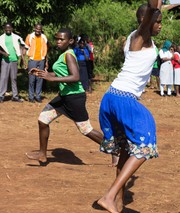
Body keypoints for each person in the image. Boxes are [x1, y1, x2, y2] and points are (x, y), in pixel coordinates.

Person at [97, 0, 162, 213]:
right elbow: (152, 12)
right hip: (124, 99)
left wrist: (163, 7)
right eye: (157, 22)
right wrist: (155, 8)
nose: (160, 25)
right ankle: (109, 195)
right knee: (145, 144)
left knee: (126, 151)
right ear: (147, 20)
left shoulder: (140, 37)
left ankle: (118, 202)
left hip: (112, 98)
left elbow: (156, 11)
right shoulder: (138, 37)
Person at [25, 28, 116, 167]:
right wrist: (44, 74)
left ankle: (115, 150)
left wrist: (51, 79)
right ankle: (43, 155)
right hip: (64, 97)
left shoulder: (68, 55)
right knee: (43, 120)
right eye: (57, 39)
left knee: (86, 129)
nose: (58, 42)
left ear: (70, 41)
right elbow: (60, 74)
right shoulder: (64, 55)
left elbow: (75, 77)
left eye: (62, 39)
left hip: (74, 98)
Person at [0, 22, 26, 103]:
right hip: (5, 60)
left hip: (14, 60)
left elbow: (21, 47)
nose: (8, 29)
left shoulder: (16, 37)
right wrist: (4, 53)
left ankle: (15, 96)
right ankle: (1, 96)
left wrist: (22, 59)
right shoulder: (1, 38)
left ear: (12, 29)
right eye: (6, 28)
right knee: (3, 78)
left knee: (14, 78)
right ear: (4, 29)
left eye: (9, 28)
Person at [25, 23, 49, 103]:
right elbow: (25, 48)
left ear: (41, 30)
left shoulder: (44, 37)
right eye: (37, 29)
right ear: (34, 28)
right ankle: (31, 96)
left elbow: (46, 50)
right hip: (32, 60)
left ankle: (38, 96)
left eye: (39, 29)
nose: (38, 30)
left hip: (41, 60)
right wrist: (24, 60)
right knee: (32, 79)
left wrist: (46, 61)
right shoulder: (30, 37)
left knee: (40, 78)